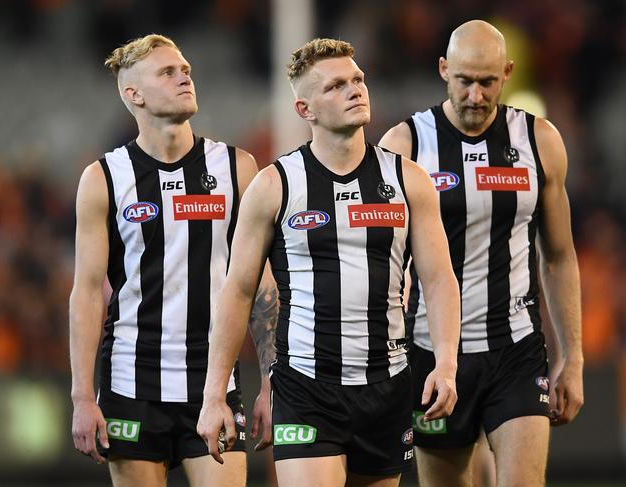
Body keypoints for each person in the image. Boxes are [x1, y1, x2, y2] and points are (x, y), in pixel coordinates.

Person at [196, 38, 460, 487]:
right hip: (307, 387)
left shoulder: (408, 180)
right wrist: (214, 393)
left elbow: (438, 280)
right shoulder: (274, 186)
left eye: (357, 79)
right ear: (305, 110)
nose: (355, 89)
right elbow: (238, 292)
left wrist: (447, 363)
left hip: (388, 384)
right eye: (337, 85)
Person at [379, 20, 584, 487]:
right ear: (443, 69)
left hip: (516, 351)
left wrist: (572, 357)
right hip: (432, 357)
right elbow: (383, 267)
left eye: (487, 82)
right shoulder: (405, 146)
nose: (475, 95)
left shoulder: (540, 141)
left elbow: (558, 256)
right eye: (464, 81)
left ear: (507, 73)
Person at [69, 34, 277, 487]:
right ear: (134, 94)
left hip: (214, 385)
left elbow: (263, 286)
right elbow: (86, 292)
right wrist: (83, 397)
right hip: (131, 384)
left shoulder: (238, 168)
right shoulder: (103, 178)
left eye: (185, 68)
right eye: (168, 71)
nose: (185, 76)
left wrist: (270, 380)